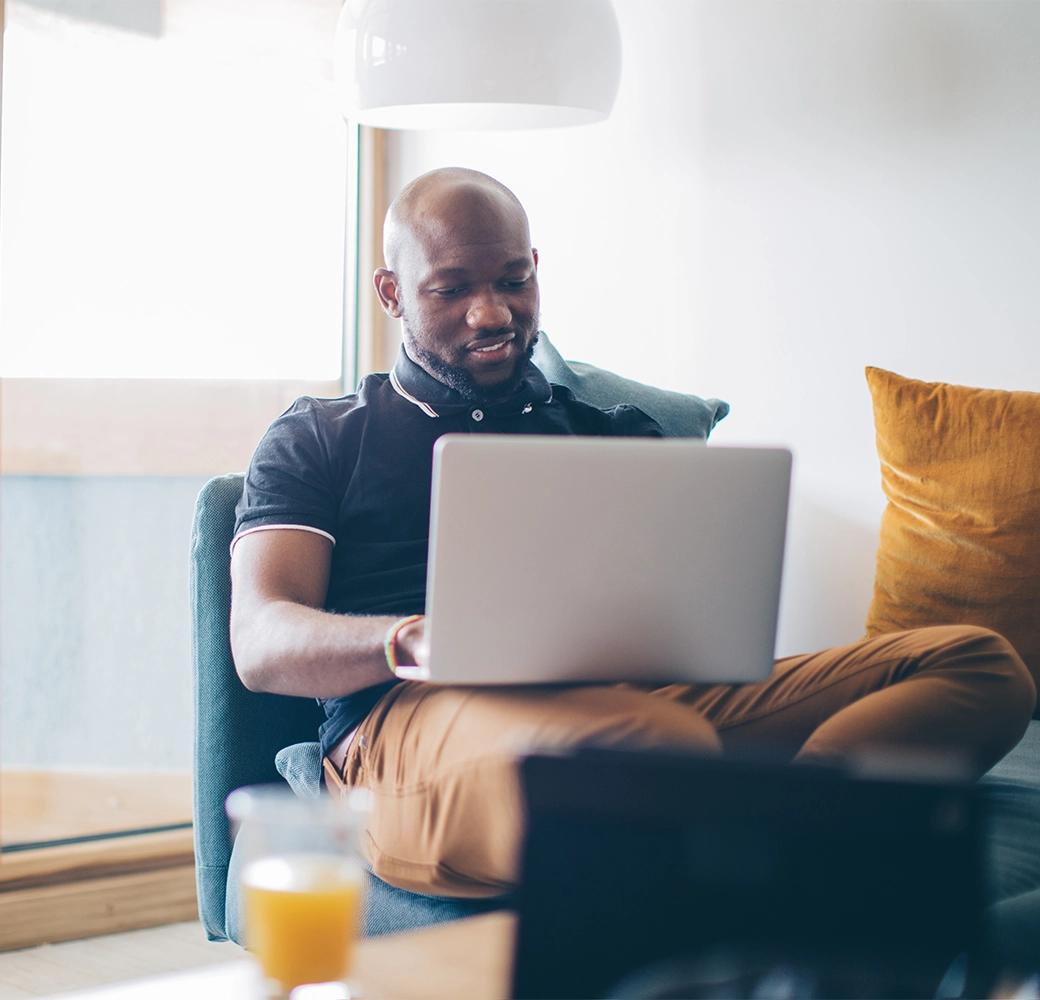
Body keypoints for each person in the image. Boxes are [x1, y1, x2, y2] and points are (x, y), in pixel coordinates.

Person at [229, 167, 1035, 899]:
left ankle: (788, 824)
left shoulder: (609, 431)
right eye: (451, 290)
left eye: (514, 280)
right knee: (647, 741)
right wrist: (414, 640)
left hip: (634, 698)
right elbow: (262, 643)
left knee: (978, 662)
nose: (493, 312)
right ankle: (740, 819)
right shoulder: (323, 435)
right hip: (406, 725)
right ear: (392, 292)